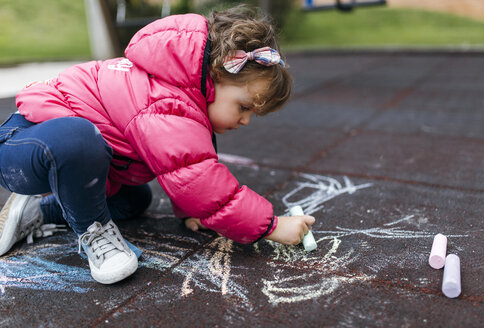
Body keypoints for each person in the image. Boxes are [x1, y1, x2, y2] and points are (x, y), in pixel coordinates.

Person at [0, 5, 315, 284]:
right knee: (78, 139)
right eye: (244, 106)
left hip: (65, 152)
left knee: (133, 201)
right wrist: (271, 227)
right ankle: (94, 230)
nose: (245, 120)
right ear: (216, 75)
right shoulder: (167, 102)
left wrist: (194, 212)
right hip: (25, 145)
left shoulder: (185, 97)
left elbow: (187, 165)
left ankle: (39, 211)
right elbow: (201, 181)